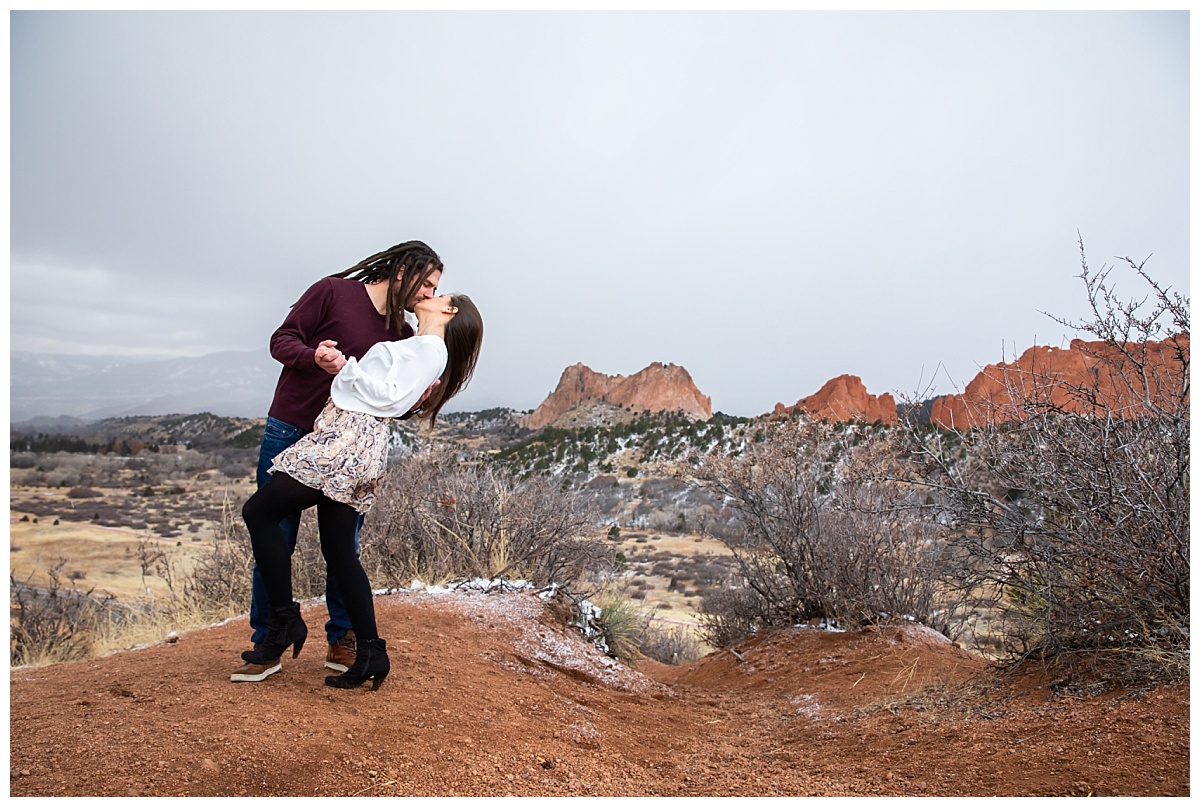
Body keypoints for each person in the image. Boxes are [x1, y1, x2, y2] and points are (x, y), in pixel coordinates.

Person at [234, 293, 484, 689]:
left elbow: (388, 397)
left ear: (448, 311)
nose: (428, 294)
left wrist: (343, 368)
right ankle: (371, 651)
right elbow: (396, 397)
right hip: (353, 440)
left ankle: (283, 621)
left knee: (259, 512)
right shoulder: (419, 345)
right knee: (337, 550)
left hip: (345, 441)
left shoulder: (429, 348)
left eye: (438, 293)